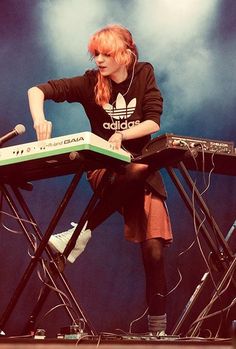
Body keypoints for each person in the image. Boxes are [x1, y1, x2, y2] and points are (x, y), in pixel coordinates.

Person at [27, 24, 173, 336]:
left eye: (107, 54)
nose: (99, 60)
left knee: (155, 251)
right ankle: (82, 232)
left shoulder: (144, 73)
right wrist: (40, 119)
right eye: (96, 54)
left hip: (141, 167)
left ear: (126, 55)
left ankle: (158, 333)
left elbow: (151, 121)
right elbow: (37, 90)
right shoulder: (90, 82)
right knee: (134, 170)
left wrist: (121, 133)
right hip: (107, 168)